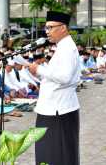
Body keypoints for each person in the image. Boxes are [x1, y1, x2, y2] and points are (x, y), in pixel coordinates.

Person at [28, 11, 80, 165]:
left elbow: (64, 77)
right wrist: (40, 73)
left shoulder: (67, 48)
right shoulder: (62, 47)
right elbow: (56, 75)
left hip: (58, 110)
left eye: (50, 27)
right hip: (53, 108)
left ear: (63, 28)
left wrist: (39, 69)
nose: (47, 31)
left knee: (56, 155)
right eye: (46, 28)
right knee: (50, 153)